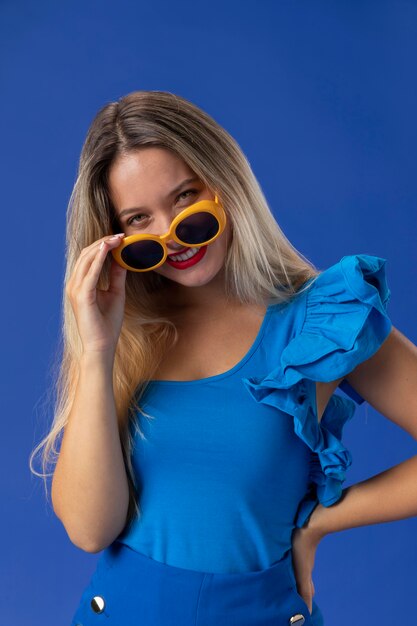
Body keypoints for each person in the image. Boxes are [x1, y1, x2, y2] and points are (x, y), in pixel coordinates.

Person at [30, 90, 417, 626]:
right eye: (140, 219)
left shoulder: (322, 320)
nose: (172, 235)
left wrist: (323, 522)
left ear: (224, 181)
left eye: (185, 197)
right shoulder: (122, 333)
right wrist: (96, 352)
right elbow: (90, 530)